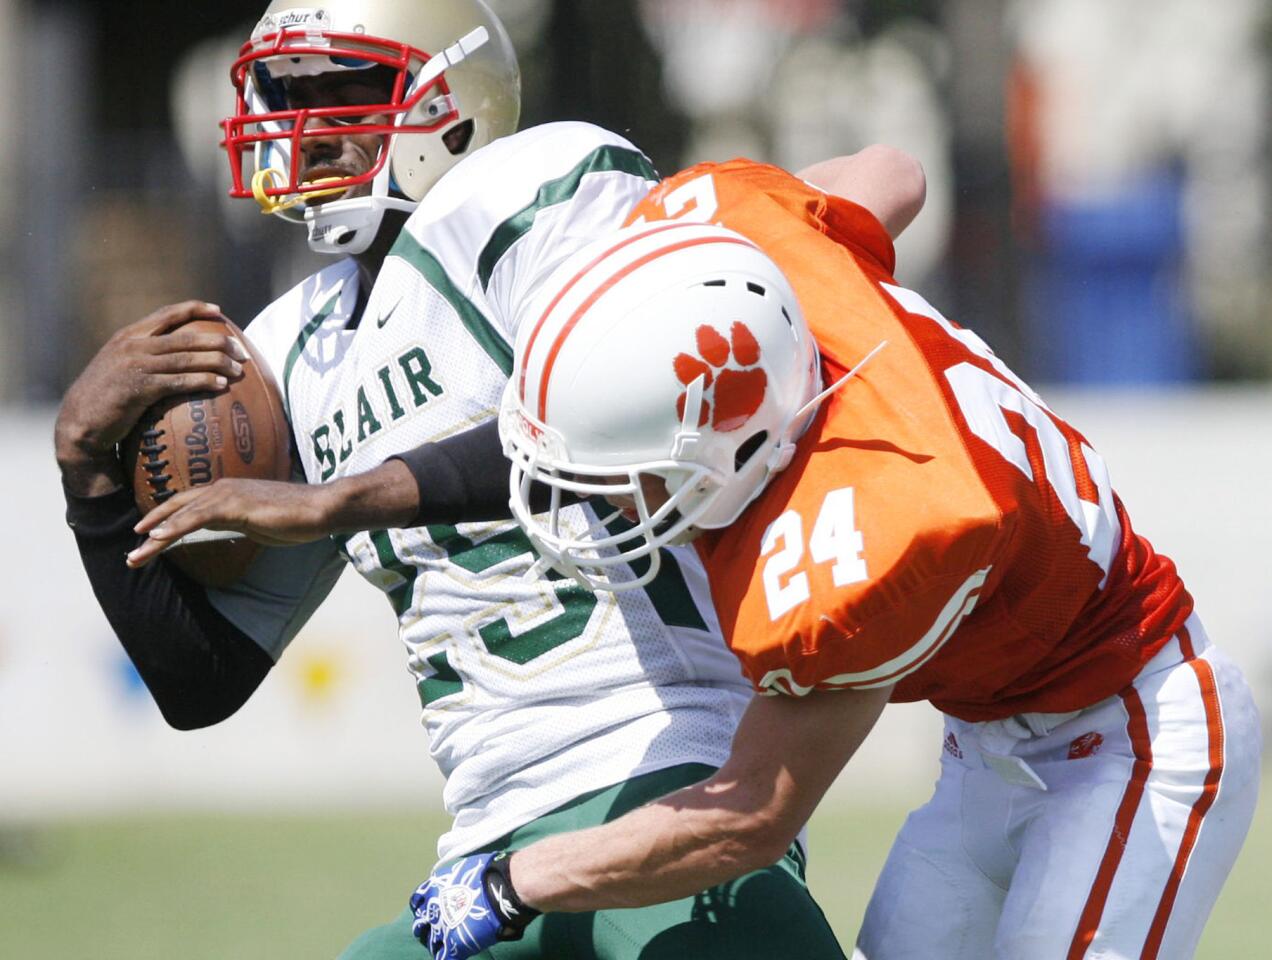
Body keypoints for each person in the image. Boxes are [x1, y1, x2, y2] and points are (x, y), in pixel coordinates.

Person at [59, 1, 915, 957]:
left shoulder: (539, 190)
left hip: (662, 768)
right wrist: (87, 475)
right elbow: (201, 682)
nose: (305, 124)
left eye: (344, 90)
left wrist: (345, 497)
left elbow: (619, 434)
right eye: (288, 93)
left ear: (449, 104)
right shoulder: (290, 352)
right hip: (482, 844)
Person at [426, 162, 1259, 958]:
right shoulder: (766, 274)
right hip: (983, 747)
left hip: (1131, 732)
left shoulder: (869, 537)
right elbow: (894, 171)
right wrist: (800, 236)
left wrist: (512, 882)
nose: (603, 504)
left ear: (728, 445)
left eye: (622, 480)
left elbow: (748, 814)